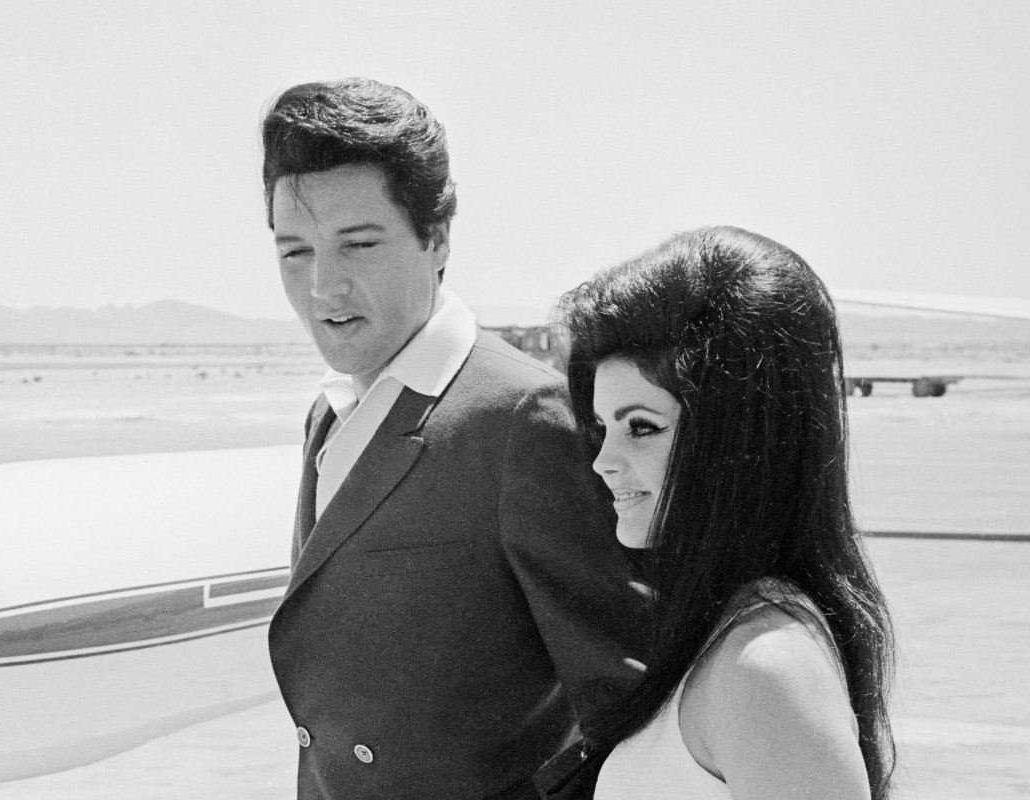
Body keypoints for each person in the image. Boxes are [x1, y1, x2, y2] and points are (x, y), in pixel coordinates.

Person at [261, 77, 647, 800]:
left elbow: (624, 702)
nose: (324, 288)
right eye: (296, 253)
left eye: (359, 244)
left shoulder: (524, 416)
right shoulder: (330, 409)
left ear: (436, 238)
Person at [546, 226, 896, 799]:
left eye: (642, 427)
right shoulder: (728, 636)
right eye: (602, 427)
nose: (604, 461)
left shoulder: (767, 667)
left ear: (742, 437)